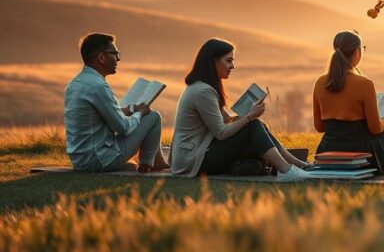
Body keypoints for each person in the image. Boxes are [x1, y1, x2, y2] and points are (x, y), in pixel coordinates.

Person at [170, 38, 310, 181]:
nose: (233, 66)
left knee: (257, 124)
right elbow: (221, 133)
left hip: (198, 153)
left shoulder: (203, 87)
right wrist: (249, 116)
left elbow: (224, 121)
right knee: (253, 125)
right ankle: (286, 170)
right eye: (228, 61)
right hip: (193, 159)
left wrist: (246, 116)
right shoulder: (203, 91)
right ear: (213, 61)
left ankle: (297, 165)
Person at [63, 32, 168, 172]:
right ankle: (150, 164)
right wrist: (140, 113)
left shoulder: (74, 83)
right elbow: (123, 128)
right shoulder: (98, 87)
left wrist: (130, 109)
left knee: (130, 166)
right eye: (115, 53)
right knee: (153, 117)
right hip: (99, 160)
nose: (118, 59)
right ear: (101, 57)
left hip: (81, 161)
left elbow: (100, 116)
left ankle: (151, 162)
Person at [312, 31, 384, 173]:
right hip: (363, 152)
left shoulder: (320, 82)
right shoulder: (365, 84)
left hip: (328, 148)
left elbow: (319, 127)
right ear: (357, 53)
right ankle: (381, 163)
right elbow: (375, 129)